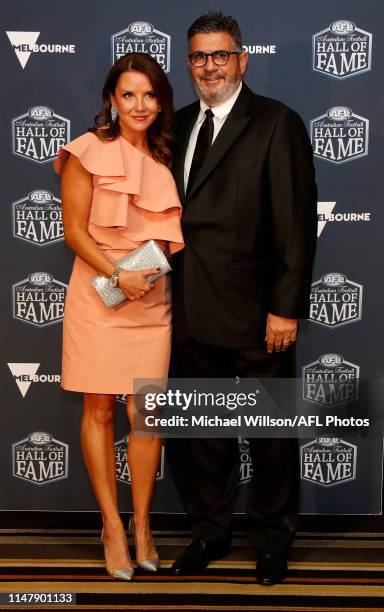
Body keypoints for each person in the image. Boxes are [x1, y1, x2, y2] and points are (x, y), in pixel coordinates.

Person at [171, 12, 317, 584]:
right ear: (189, 63)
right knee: (204, 433)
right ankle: (209, 533)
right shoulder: (177, 124)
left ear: (242, 58)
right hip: (189, 309)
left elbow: (295, 224)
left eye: (220, 55)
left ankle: (274, 539)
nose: (210, 66)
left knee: (272, 433)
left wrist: (286, 307)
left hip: (260, 313)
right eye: (199, 57)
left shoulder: (277, 123)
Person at [54, 53, 184, 580]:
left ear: (161, 102)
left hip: (149, 301)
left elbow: (166, 239)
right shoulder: (88, 152)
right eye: (128, 94)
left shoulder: (165, 159)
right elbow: (75, 231)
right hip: (97, 294)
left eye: (149, 95)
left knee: (146, 417)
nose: (139, 105)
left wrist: (139, 277)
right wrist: (116, 274)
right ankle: (111, 526)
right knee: (101, 412)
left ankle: (144, 525)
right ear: (111, 98)